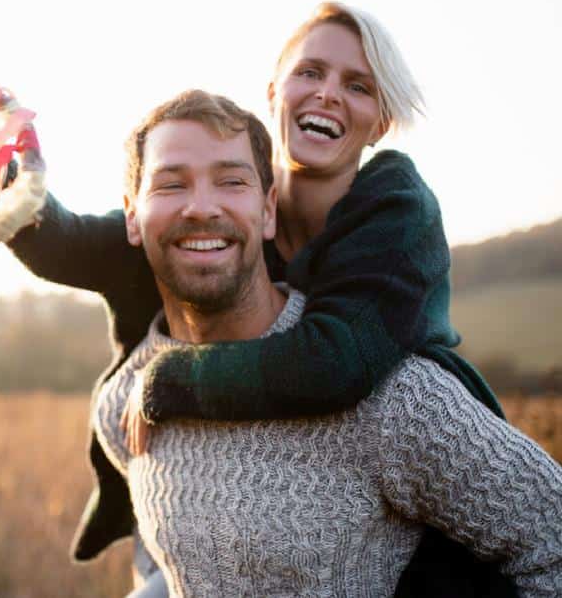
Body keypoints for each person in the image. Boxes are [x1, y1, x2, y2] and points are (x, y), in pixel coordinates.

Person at [8, 2, 516, 595]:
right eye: (311, 72)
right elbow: (77, 246)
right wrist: (2, 188)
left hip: (399, 487)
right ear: (274, 90)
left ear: (379, 123)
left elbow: (335, 360)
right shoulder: (230, 196)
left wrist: (173, 379)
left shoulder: (397, 213)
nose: (328, 94)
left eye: (357, 85)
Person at [92, 87, 562, 596]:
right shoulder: (122, 406)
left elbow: (551, 539)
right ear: (132, 217)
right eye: (170, 184)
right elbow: (160, 556)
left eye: (232, 181)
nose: (201, 207)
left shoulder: (389, 397)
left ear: (268, 209)